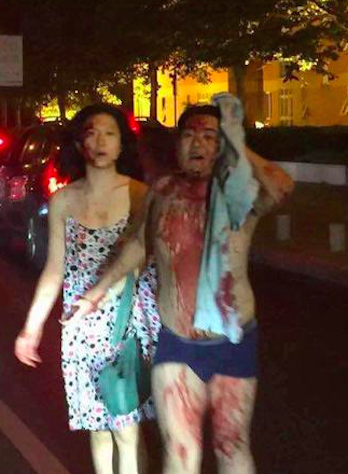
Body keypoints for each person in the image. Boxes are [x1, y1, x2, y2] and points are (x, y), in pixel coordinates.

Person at [72, 96, 294, 474]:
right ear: (177, 144)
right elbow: (138, 245)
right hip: (176, 342)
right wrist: (96, 293)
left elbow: (282, 186)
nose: (198, 143)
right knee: (179, 450)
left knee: (231, 444)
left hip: (233, 341)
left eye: (209, 136)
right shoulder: (162, 191)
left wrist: (236, 141)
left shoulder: (240, 194)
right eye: (189, 135)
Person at [14, 104, 160, 474]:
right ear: (79, 144)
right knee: (98, 428)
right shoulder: (64, 200)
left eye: (109, 134)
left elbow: (141, 257)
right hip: (80, 327)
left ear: (122, 144)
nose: (100, 142)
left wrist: (104, 295)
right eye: (91, 134)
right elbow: (54, 269)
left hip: (126, 322)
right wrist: (31, 328)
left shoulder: (140, 195)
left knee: (127, 429)